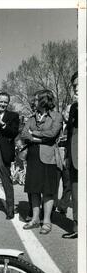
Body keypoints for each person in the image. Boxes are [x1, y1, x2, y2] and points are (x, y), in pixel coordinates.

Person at [21, 89, 63, 234]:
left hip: (48, 157)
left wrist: (34, 135)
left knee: (48, 191)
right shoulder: (32, 118)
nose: (34, 101)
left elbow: (52, 134)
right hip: (33, 156)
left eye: (36, 99)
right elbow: (24, 133)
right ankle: (35, 219)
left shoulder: (57, 116)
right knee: (33, 189)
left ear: (44, 101)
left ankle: (46, 221)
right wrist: (36, 138)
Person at [62, 71, 78, 239]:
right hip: (74, 154)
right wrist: (67, 154)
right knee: (76, 192)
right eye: (74, 86)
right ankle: (77, 227)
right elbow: (71, 131)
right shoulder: (74, 106)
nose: (76, 89)